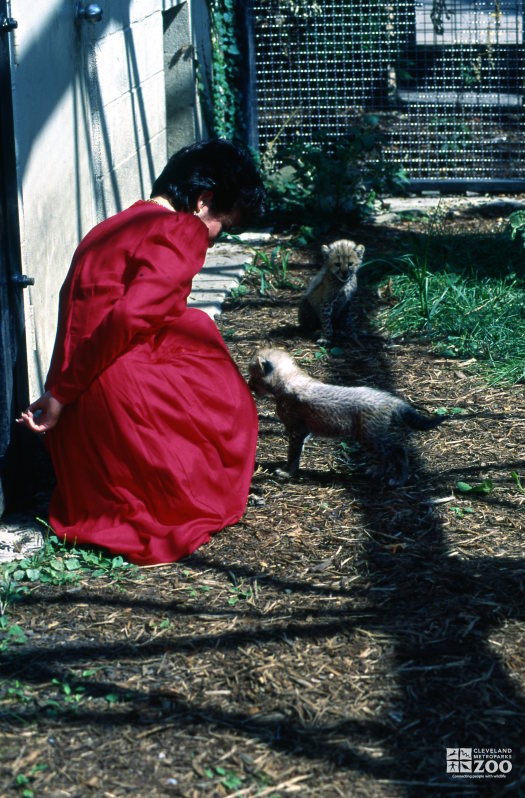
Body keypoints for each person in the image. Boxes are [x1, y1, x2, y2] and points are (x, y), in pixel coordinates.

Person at [17, 139, 266, 565]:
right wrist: (61, 395)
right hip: (111, 402)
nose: (213, 239)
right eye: (221, 226)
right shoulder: (182, 229)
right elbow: (130, 315)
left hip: (82, 423)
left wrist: (60, 388)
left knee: (185, 323)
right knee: (203, 343)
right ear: (203, 201)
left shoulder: (113, 227)